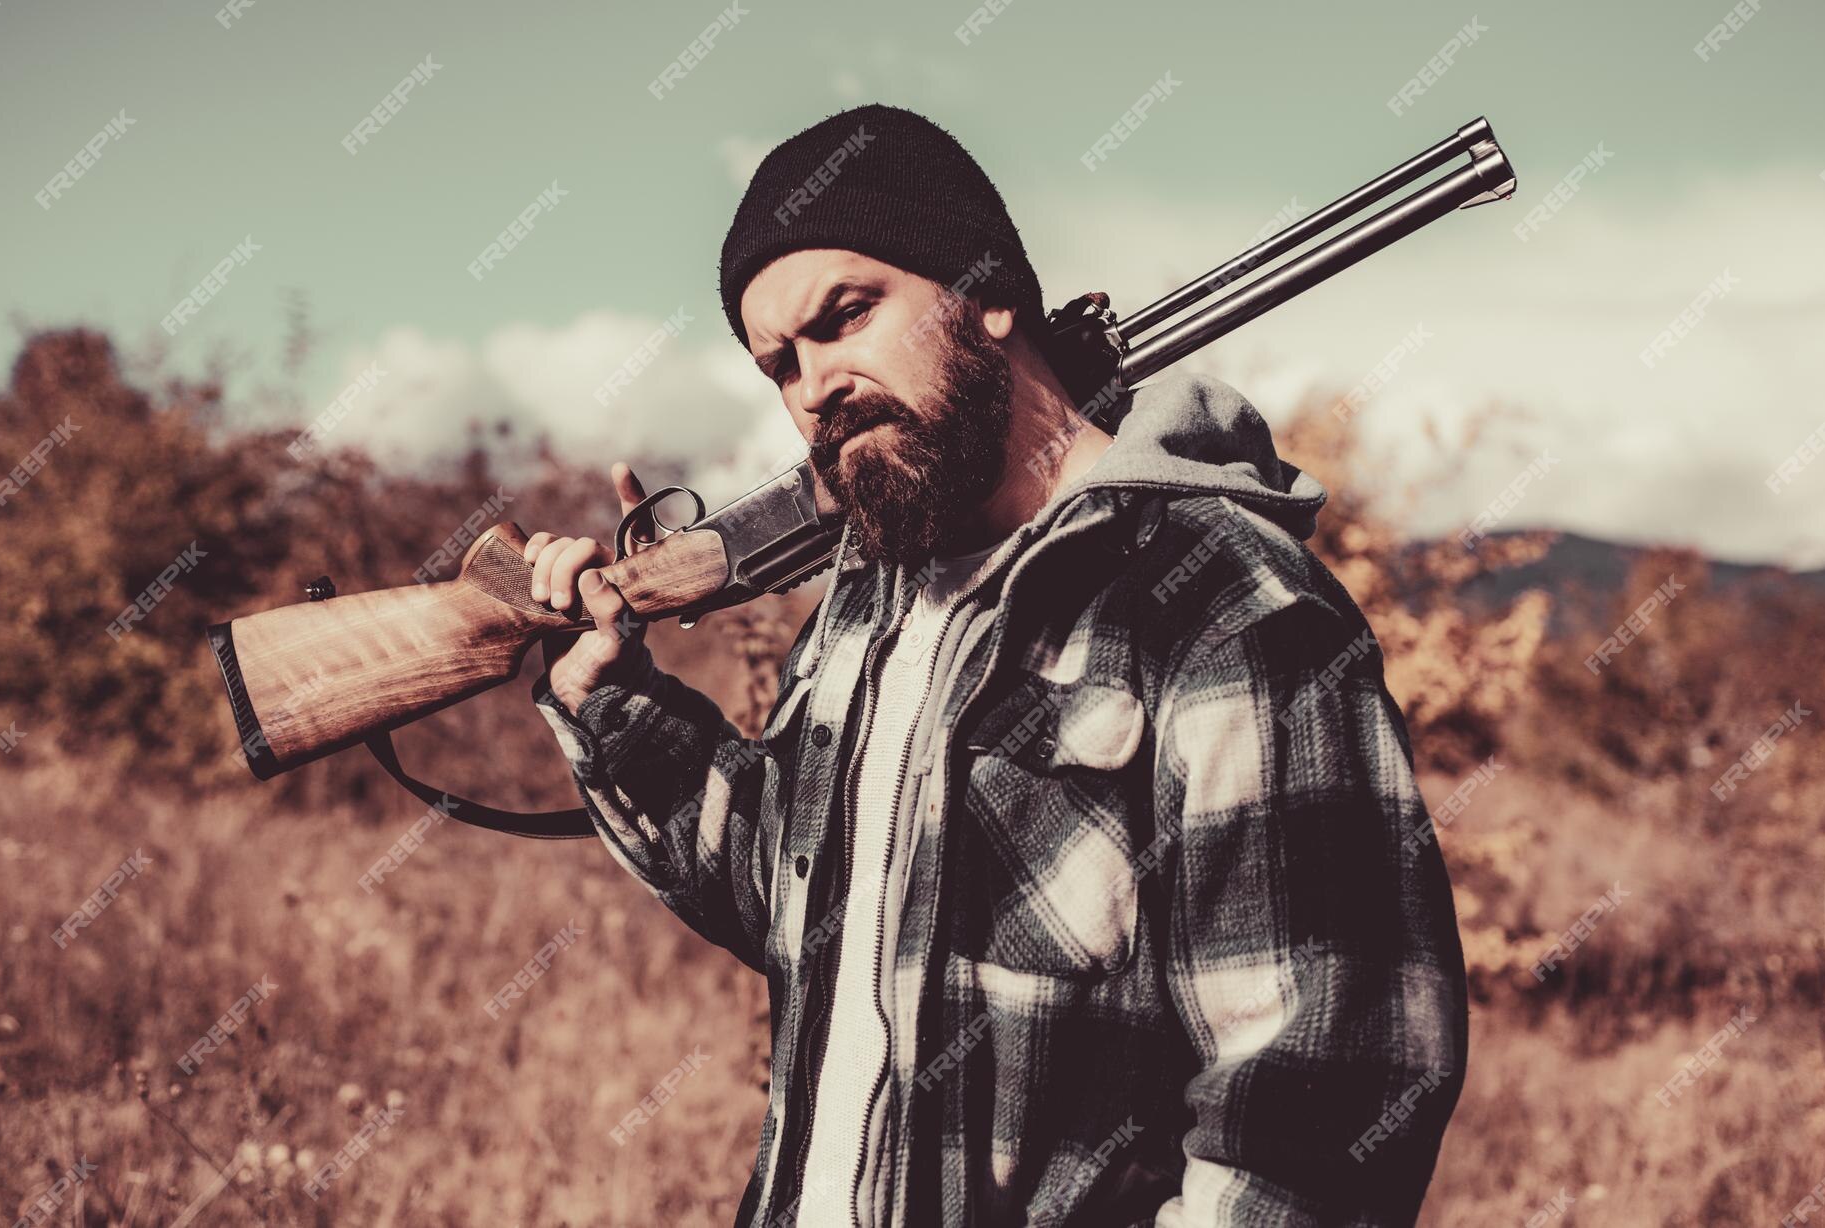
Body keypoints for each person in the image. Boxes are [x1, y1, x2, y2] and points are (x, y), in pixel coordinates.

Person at [521, 103, 1466, 1227]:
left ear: (988, 291)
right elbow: (799, 899)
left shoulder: (1227, 605)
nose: (816, 384)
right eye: (781, 361)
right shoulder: (872, 602)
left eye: (847, 314)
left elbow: (1315, 1117)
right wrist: (605, 695)